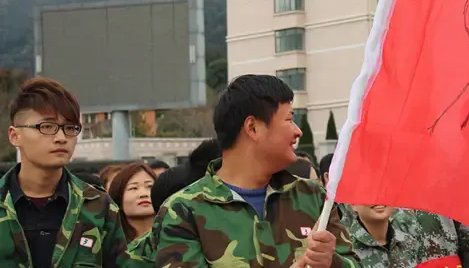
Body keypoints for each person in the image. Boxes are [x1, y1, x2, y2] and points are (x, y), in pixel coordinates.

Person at [148, 74, 359, 267]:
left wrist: (331, 262)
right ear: (253, 128)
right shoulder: (184, 211)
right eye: (288, 119)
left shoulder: (312, 196)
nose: (298, 131)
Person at [0, 77, 128, 267]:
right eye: (47, 127)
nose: (61, 138)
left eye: (69, 128)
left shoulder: (98, 207)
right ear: (15, 136)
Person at [108, 163, 157, 242]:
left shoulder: (176, 236)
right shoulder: (109, 243)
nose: (143, 194)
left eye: (150, 186)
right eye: (133, 188)